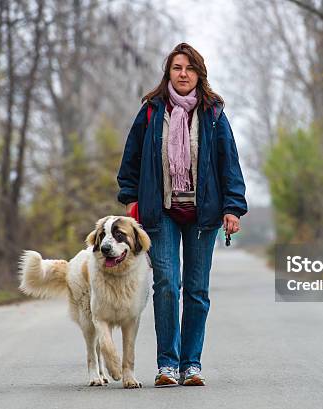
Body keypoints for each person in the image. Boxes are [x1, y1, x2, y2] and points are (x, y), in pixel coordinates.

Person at [116, 42, 248, 387]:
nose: (183, 74)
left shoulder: (214, 114)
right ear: (168, 73)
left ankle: (192, 364)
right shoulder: (150, 112)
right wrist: (131, 200)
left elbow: (228, 163)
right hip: (161, 213)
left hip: (204, 214)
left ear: (199, 74)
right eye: (177, 68)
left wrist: (233, 207)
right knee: (166, 285)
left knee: (196, 290)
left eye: (190, 68)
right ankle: (167, 365)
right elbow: (130, 161)